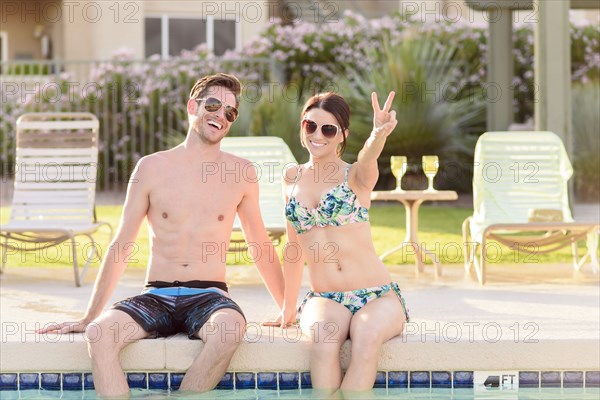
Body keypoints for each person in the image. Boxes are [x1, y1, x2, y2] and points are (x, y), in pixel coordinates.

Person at [38, 73, 285, 397]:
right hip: (156, 295)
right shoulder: (150, 168)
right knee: (99, 335)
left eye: (230, 112)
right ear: (192, 106)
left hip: (209, 296)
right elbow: (122, 245)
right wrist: (89, 316)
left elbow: (260, 245)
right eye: (213, 105)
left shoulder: (241, 173)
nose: (221, 116)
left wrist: (287, 308)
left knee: (229, 330)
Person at [276, 91, 410, 395]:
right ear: (302, 127)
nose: (317, 135)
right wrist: (287, 307)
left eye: (328, 129)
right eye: (311, 126)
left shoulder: (356, 176)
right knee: (322, 341)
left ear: (342, 136)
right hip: (326, 297)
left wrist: (378, 132)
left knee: (366, 336)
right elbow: (293, 247)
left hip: (376, 296)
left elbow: (368, 155)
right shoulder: (291, 178)